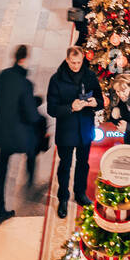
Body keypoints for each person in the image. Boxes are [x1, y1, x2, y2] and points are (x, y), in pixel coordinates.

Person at [47, 46, 103, 218]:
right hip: (66, 131)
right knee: (65, 165)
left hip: (85, 129)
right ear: (67, 60)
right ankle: (63, 197)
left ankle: (80, 193)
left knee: (83, 164)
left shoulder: (90, 76)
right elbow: (52, 109)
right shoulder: (56, 80)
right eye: (73, 62)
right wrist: (70, 107)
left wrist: (95, 103)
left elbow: (100, 99)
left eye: (79, 62)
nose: (76, 65)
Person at [0, 44, 43, 227]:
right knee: (33, 149)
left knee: (1, 170)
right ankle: (30, 181)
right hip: (20, 135)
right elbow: (31, 115)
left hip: (2, 133)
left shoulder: (2, 76)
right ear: (24, 59)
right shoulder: (25, 84)